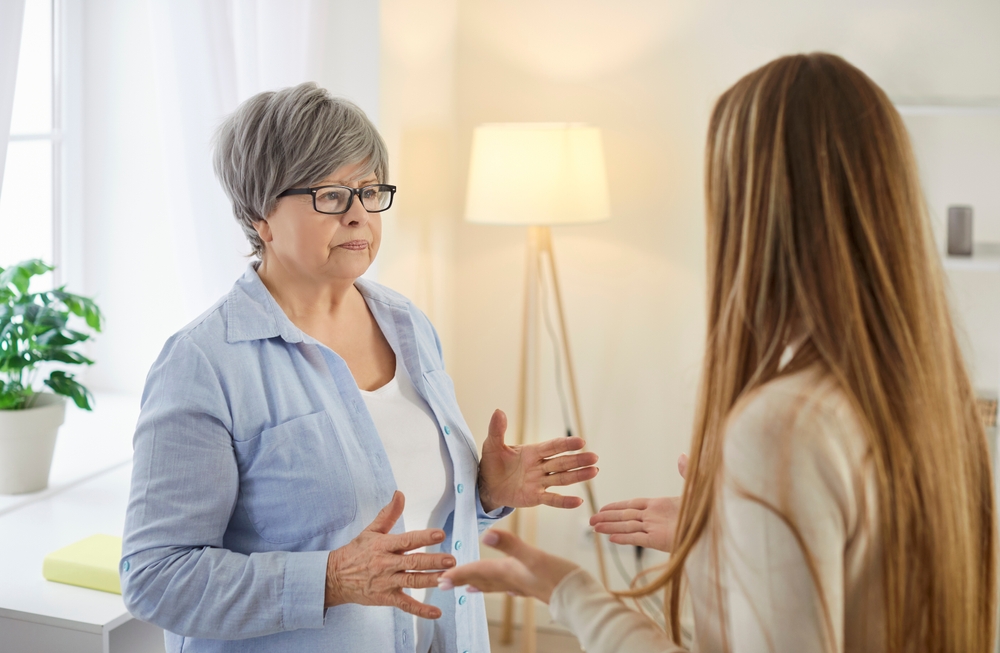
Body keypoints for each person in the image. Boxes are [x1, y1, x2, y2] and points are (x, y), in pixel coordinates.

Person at [439, 53, 997, 653]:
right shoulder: (939, 405)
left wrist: (570, 592)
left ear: (755, 212)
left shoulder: (784, 426)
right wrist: (736, 537)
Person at [119, 83, 599, 653]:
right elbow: (154, 577)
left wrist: (486, 492)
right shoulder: (202, 364)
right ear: (259, 215)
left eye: (370, 192)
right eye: (330, 195)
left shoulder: (407, 324)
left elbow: (417, 516)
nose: (358, 215)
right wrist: (329, 581)